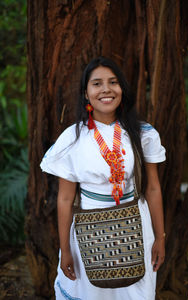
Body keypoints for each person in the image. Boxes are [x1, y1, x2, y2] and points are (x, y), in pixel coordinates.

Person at [40, 56, 166, 300]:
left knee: (135, 291)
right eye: (97, 83)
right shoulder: (73, 139)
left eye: (113, 82)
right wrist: (65, 249)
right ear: (86, 94)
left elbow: (152, 188)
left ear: (122, 90)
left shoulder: (142, 133)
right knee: (91, 292)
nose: (106, 89)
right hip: (89, 229)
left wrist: (160, 238)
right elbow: (65, 199)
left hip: (137, 227)